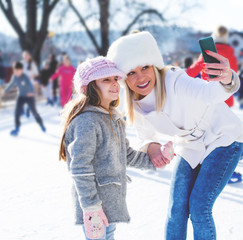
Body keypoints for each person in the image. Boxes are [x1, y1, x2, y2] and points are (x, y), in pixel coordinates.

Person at [107, 31, 243, 240]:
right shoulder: (135, 102)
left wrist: (228, 78)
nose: (141, 77)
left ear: (154, 65)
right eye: (131, 72)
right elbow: (146, 135)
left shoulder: (174, 80)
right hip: (190, 145)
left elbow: (210, 94)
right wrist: (154, 150)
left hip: (222, 137)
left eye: (145, 67)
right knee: (176, 209)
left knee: (199, 207)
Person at [58, 56, 170, 240]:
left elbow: (125, 155)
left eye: (116, 79)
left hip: (109, 202)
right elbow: (79, 167)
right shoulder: (87, 121)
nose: (115, 84)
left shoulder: (112, 118)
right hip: (94, 206)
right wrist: (91, 207)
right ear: (88, 87)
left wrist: (154, 161)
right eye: (106, 80)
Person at [186, 25, 242, 184]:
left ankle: (208, 171)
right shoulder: (231, 53)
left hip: (208, 96)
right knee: (222, 136)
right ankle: (226, 170)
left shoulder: (209, 50)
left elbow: (194, 69)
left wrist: (179, 77)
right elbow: (234, 75)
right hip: (224, 98)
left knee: (206, 136)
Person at [186, 25, 238, 107]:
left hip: (209, 96)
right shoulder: (232, 56)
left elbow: (191, 72)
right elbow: (234, 77)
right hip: (226, 98)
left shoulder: (208, 52)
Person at [3, 62, 46, 136]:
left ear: (22, 70)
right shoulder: (15, 77)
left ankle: (41, 124)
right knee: (17, 112)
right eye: (15, 71)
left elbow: (30, 84)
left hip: (29, 96)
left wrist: (31, 92)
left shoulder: (25, 77)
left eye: (18, 71)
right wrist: (5, 90)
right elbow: (11, 84)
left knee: (34, 112)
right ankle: (17, 128)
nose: (16, 72)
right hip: (21, 96)